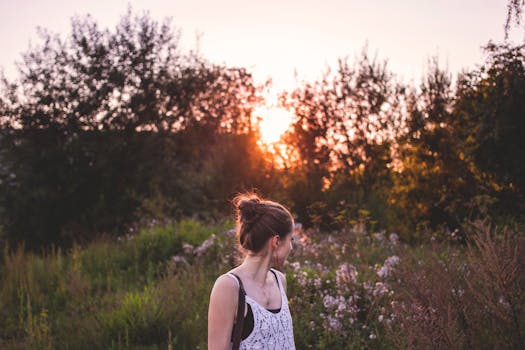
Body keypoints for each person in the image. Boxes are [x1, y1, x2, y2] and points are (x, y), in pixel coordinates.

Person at [208, 193, 296, 350]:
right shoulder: (228, 286)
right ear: (276, 241)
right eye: (291, 239)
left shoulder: (280, 281)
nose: (291, 247)